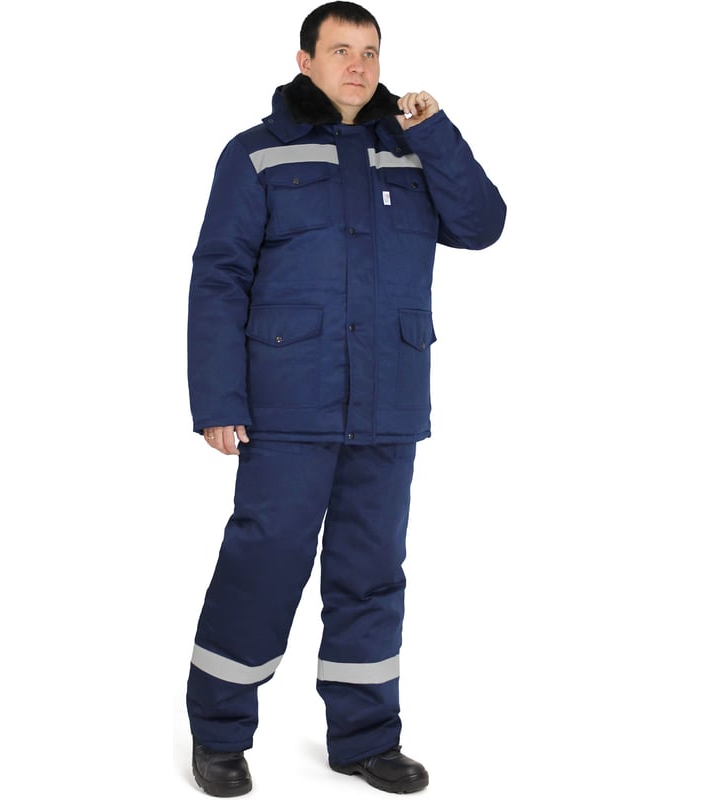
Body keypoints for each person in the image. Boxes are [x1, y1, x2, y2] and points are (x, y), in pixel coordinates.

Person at [185, 2, 505, 795]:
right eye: (340, 50)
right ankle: (219, 734)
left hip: (388, 402)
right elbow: (219, 277)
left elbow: (482, 225)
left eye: (370, 51)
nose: (358, 66)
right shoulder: (256, 153)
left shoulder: (413, 149)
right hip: (286, 403)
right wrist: (218, 398)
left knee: (371, 574)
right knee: (263, 566)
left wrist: (436, 133)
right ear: (305, 61)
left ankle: (365, 738)